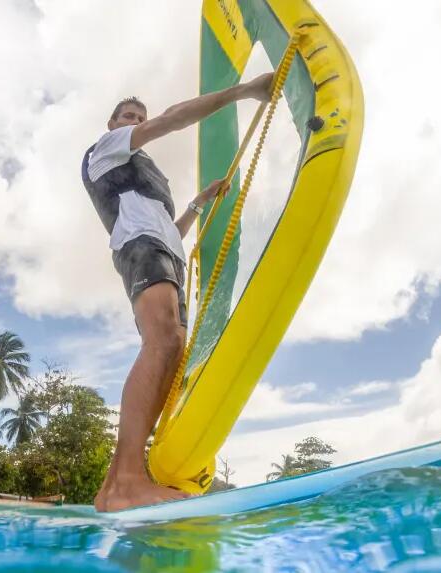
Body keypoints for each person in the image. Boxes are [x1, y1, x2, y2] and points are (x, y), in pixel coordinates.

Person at [82, 72, 275, 512]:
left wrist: (196, 205)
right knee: (163, 340)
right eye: (128, 117)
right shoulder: (108, 147)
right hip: (139, 246)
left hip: (161, 246)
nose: (135, 122)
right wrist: (246, 91)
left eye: (138, 117)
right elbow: (172, 119)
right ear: (113, 124)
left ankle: (116, 485)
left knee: (172, 347)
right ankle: (129, 478)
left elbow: (172, 232)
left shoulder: (148, 175)